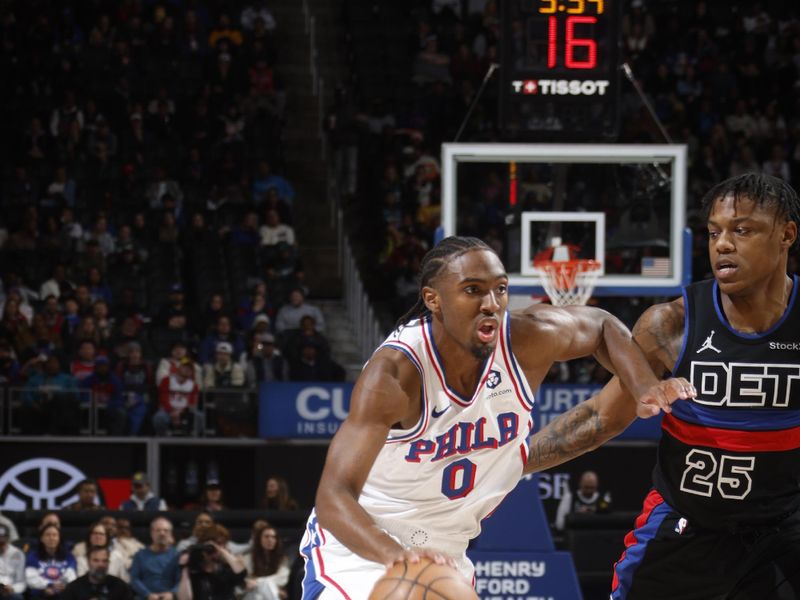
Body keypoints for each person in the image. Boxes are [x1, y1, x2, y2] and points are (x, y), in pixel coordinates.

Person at [300, 236, 693, 597]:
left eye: (500, 289)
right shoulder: (395, 374)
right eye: (473, 290)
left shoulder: (526, 337)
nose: (492, 303)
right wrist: (399, 559)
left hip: (447, 547)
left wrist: (644, 384)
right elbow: (333, 497)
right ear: (433, 299)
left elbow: (602, 325)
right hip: (365, 545)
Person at [524, 174, 800, 599]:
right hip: (688, 529)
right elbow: (601, 417)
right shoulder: (671, 324)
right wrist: (511, 464)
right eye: (714, 232)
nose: (723, 244)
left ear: (786, 235)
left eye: (742, 230)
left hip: (783, 532)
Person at [176, 526, 246, 600]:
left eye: (222, 543)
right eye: (211, 545)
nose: (214, 548)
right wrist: (185, 568)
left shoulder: (226, 568)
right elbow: (184, 598)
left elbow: (241, 573)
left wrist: (221, 550)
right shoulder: (194, 569)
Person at [129, 517, 181, 600]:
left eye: (166, 530)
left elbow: (181, 580)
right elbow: (134, 579)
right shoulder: (140, 555)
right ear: (152, 533)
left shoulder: (177, 556)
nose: (162, 533)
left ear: (171, 534)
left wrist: (172, 593)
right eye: (158, 530)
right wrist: (147, 594)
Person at [24, 524, 77, 599]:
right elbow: (30, 579)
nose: (51, 538)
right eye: (48, 535)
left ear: (59, 538)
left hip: (63, 593)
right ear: (42, 538)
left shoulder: (68, 556)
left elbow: (71, 577)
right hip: (40, 593)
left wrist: (60, 587)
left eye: (55, 535)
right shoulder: (33, 556)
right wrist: (49, 584)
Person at [61, 546, 132, 600]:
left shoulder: (119, 586)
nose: (101, 565)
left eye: (104, 561)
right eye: (96, 560)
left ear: (108, 563)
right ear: (88, 562)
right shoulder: (74, 588)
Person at [242, 524, 289, 600]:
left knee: (267, 584)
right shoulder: (249, 558)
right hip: (252, 593)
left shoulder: (282, 559)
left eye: (273, 537)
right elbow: (247, 580)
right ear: (259, 539)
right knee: (263, 587)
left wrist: (259, 581)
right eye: (266, 536)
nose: (270, 540)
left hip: (273, 591)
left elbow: (282, 578)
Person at [0, 524, 25, 600]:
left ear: (8, 539)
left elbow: (21, 581)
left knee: (17, 598)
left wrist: (13, 588)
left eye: (2, 543)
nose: (1, 546)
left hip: (10, 591)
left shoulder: (18, 554)